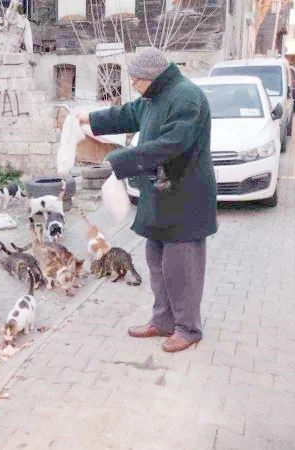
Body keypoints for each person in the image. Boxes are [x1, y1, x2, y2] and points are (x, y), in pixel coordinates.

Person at [76, 47, 217, 352]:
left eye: (137, 80)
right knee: (157, 263)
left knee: (182, 269)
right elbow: (129, 113)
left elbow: (172, 144)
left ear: (153, 77)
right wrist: (88, 118)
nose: (134, 85)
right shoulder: (155, 96)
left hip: (185, 199)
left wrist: (121, 159)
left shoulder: (187, 98)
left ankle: (188, 328)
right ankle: (164, 321)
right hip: (160, 195)